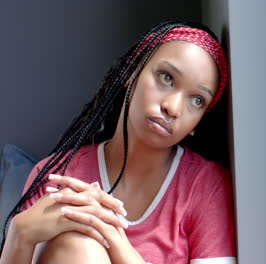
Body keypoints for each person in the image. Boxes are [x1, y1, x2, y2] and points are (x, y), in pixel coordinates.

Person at [0, 20, 236, 264]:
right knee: (78, 243)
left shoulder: (207, 187)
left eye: (197, 100)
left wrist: (116, 242)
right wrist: (20, 233)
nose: (172, 108)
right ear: (132, 71)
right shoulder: (55, 175)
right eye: (166, 77)